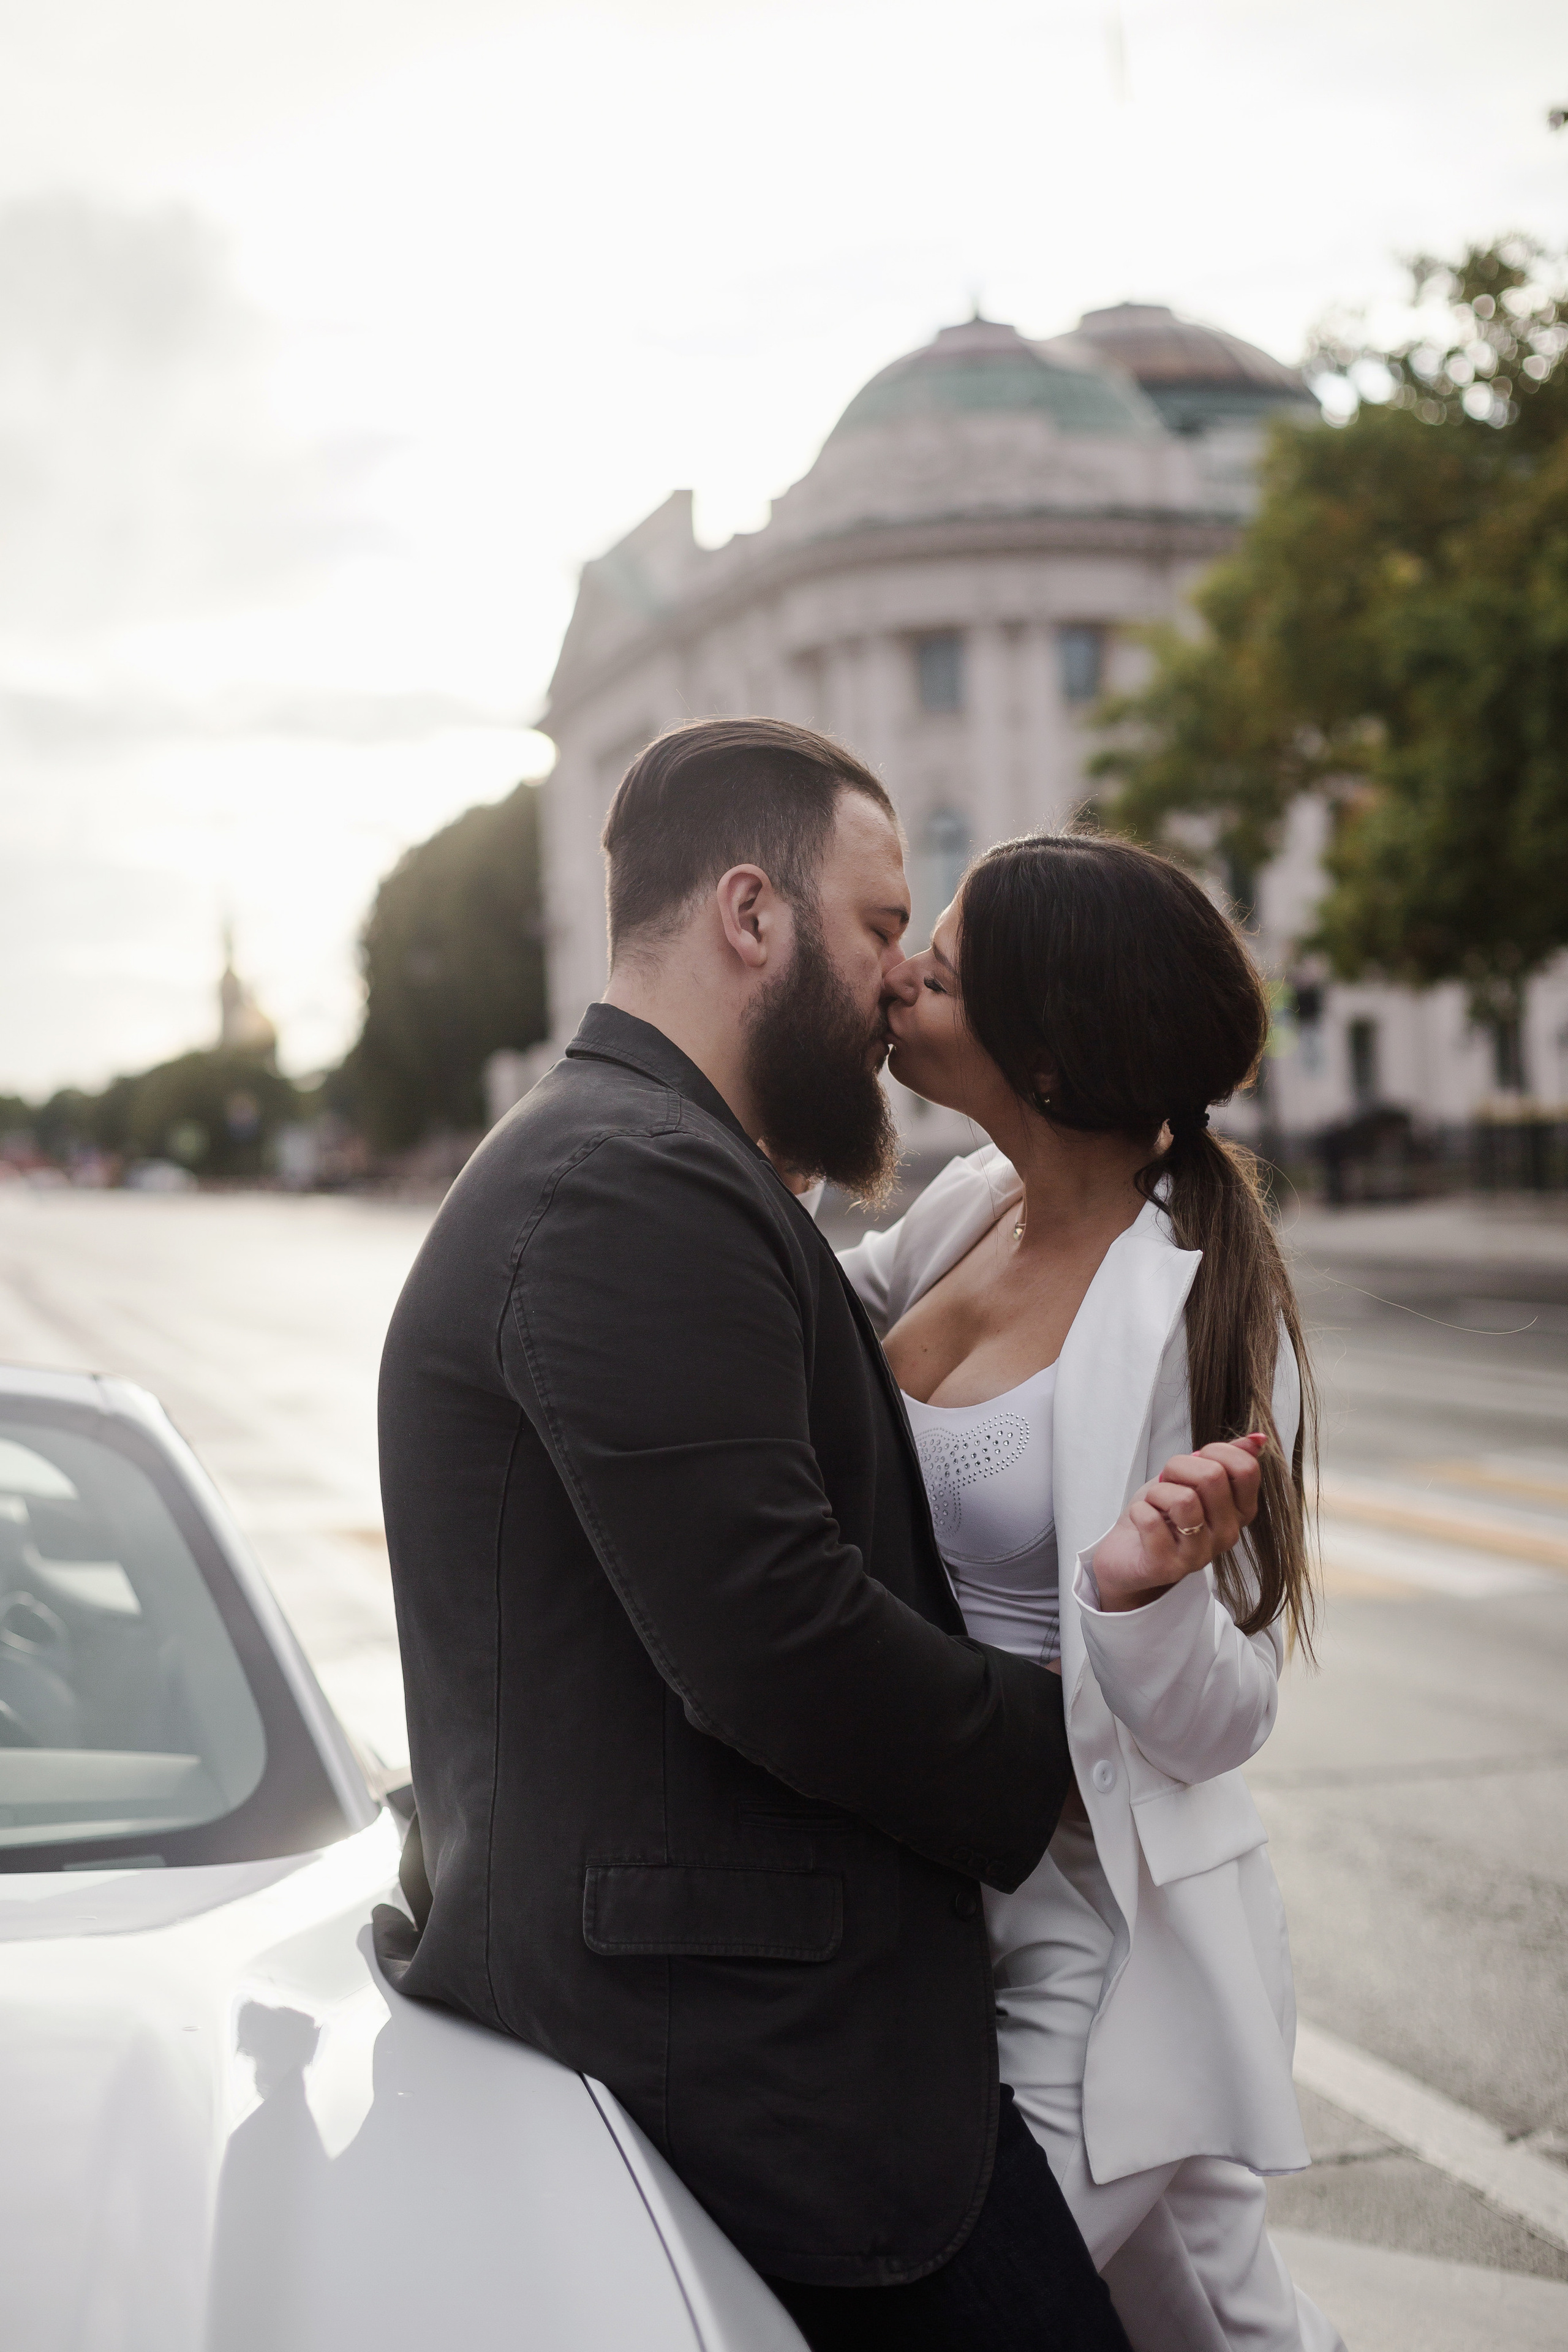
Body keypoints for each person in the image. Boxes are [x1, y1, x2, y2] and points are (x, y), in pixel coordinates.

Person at [374, 720, 1229, 2348]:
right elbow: (779, 1637)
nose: (897, 981)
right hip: (764, 2073)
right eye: (881, 926)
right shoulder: (628, 1182)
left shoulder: (655, 1162)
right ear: (751, 917)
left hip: (746, 2042)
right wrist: (1074, 1765)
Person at [831, 830, 1345, 2352]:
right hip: (945, 1894)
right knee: (1211, 2319)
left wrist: (1141, 1600)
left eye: (946, 956)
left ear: (1045, 1052)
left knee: (967, 2307)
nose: (905, 966)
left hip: (1098, 1934)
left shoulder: (1199, 1312)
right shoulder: (971, 1206)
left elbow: (1221, 1720)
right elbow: (793, 1316)